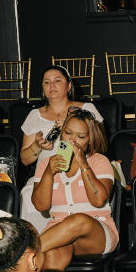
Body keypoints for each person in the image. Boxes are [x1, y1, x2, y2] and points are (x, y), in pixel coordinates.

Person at [30, 109, 119, 272]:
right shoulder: (46, 164)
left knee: (78, 220)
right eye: (67, 133)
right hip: (59, 233)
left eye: (80, 136)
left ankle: (21, 255)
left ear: (90, 140)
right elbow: (41, 206)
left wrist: (83, 163)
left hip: (96, 233)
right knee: (53, 257)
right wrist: (49, 173)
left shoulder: (99, 161)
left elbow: (98, 200)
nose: (71, 140)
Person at [17, 65, 104, 233]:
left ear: (69, 86)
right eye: (47, 82)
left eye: (58, 81)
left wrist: (72, 129)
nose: (52, 86)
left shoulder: (86, 109)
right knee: (27, 196)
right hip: (45, 174)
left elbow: (99, 146)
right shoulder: (34, 115)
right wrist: (37, 146)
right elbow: (25, 159)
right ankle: (34, 247)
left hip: (80, 170)